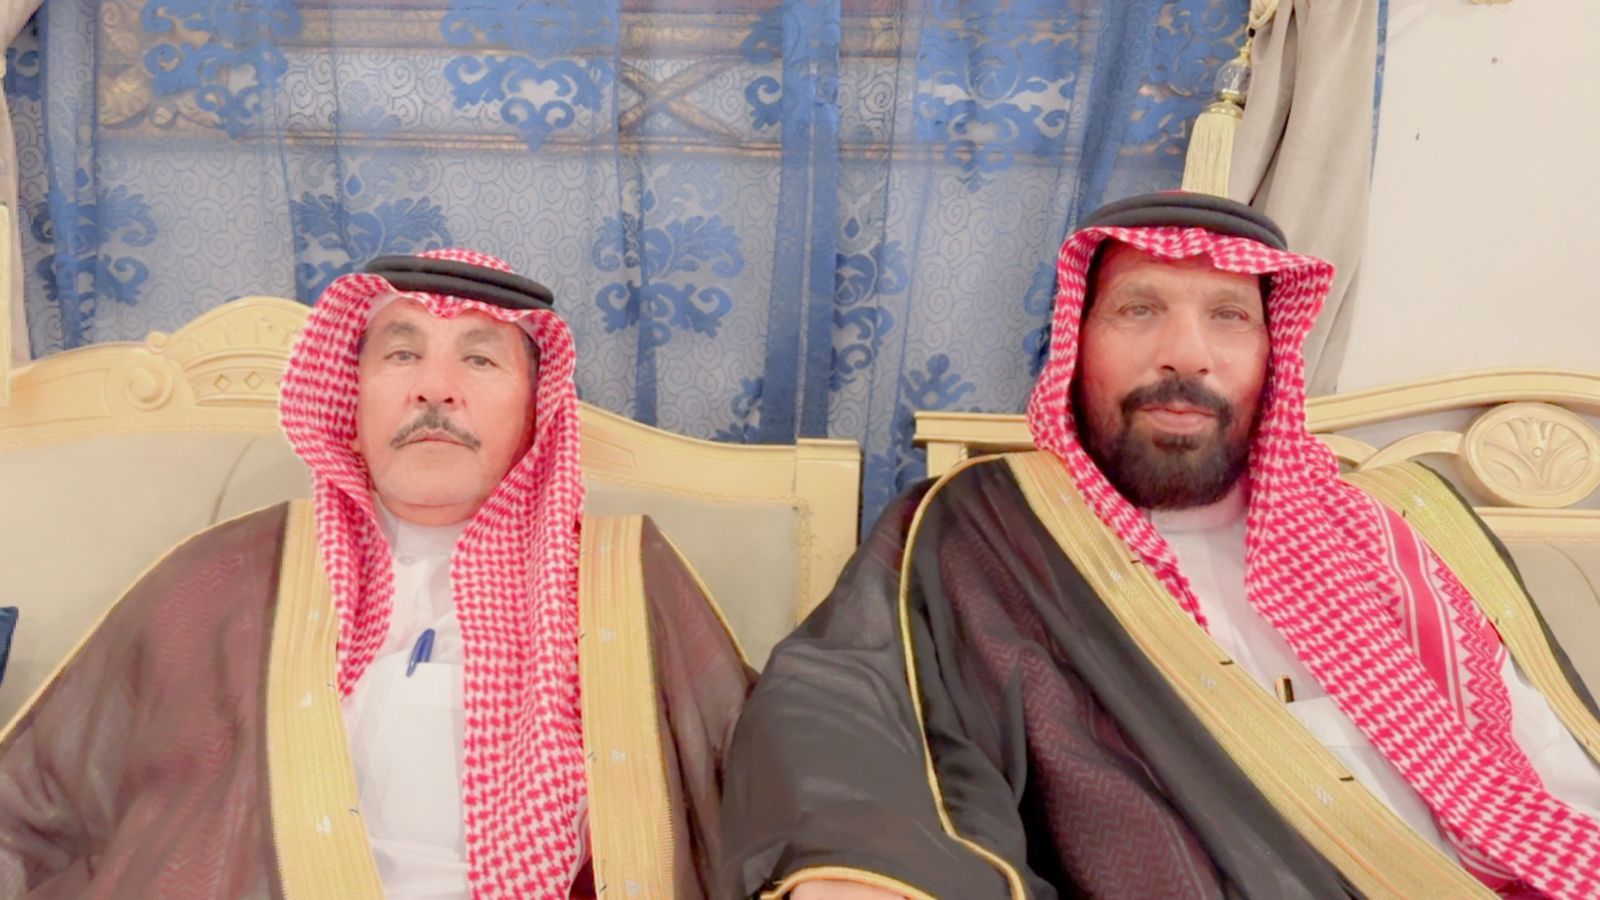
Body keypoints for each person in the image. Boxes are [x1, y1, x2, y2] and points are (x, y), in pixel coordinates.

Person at [721, 193, 1600, 899]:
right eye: (1139, 310)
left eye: (1229, 316)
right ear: (1075, 346)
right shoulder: (991, 525)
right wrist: (859, 860)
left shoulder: (1397, 527)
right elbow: (843, 696)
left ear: (1273, 355)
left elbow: (1550, 771)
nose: (1186, 354)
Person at [0, 249, 752, 899]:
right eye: (401, 355)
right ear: (351, 400)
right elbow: (34, 803)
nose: (435, 388)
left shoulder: (624, 581)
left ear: (535, 413)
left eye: (481, 359)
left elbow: (760, 781)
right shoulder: (223, 578)